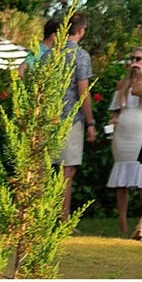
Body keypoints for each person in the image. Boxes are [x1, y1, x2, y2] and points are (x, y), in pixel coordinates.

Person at [39, 16, 97, 199]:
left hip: (48, 118)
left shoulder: (49, 54)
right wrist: (90, 122)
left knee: (43, 170)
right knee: (67, 171)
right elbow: (83, 91)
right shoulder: (81, 55)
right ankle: (64, 221)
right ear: (81, 31)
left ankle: (39, 218)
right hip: (71, 120)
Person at [107, 48, 142, 238]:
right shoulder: (122, 84)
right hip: (123, 136)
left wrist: (141, 77)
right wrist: (113, 122)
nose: (134, 62)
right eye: (132, 58)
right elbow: (115, 110)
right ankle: (123, 222)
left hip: (140, 133)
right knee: (122, 181)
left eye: (139, 59)